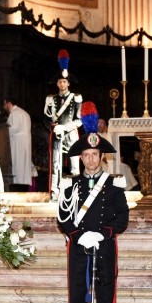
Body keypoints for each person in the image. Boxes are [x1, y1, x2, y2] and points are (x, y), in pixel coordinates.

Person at [57, 102, 129, 303]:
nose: (90, 159)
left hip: (105, 249)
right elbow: (63, 218)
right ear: (81, 157)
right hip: (78, 250)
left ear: (101, 157)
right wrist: (78, 236)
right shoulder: (70, 185)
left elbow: (122, 218)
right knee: (77, 302)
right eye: (86, 155)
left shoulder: (114, 185)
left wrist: (102, 233)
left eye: (94, 154)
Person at [45, 49, 83, 201]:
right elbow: (46, 119)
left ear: (68, 83)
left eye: (64, 81)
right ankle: (55, 193)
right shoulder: (50, 99)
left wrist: (65, 128)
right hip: (56, 134)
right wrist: (54, 128)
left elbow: (79, 120)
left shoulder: (76, 98)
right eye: (60, 81)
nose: (62, 84)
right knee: (56, 166)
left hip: (71, 134)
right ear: (57, 83)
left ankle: (77, 194)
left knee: (74, 165)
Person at [3, 98, 34, 191]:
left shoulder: (15, 113)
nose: (3, 107)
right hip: (25, 142)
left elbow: (13, 129)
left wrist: (3, 132)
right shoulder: (24, 112)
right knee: (23, 164)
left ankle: (17, 186)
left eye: (4, 105)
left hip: (18, 142)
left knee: (18, 164)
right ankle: (23, 185)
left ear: (8, 104)